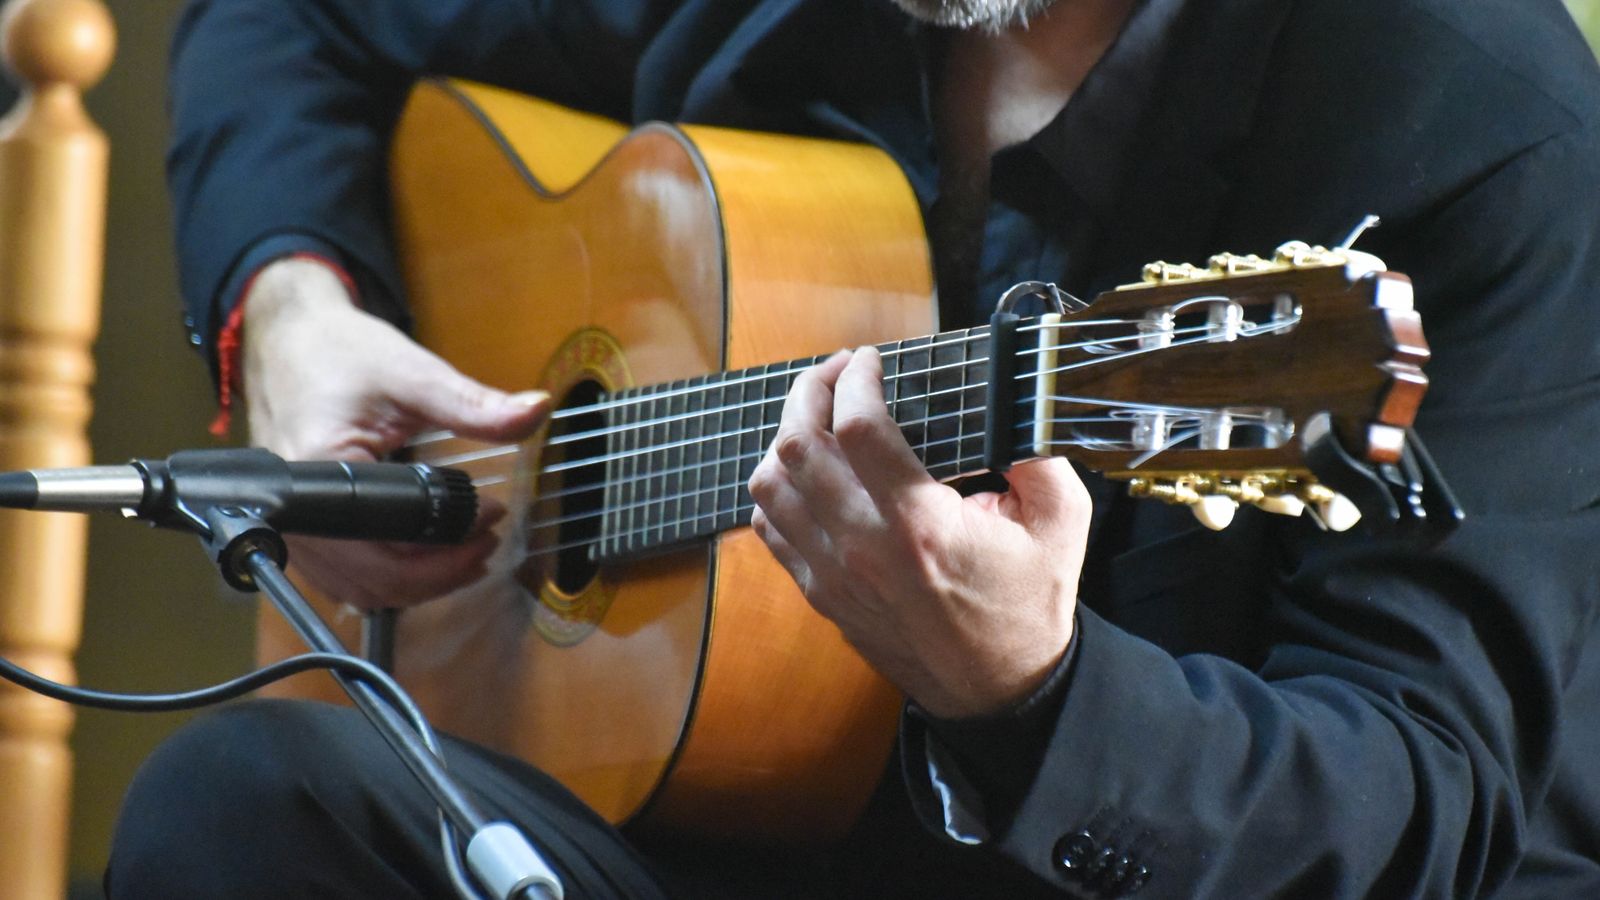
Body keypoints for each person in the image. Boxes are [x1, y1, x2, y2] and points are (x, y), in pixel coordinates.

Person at [108, 0, 1600, 896]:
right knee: (244, 805)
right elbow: (285, 17)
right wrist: (291, 311)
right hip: (754, 844)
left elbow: (1430, 809)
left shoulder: (1477, 121)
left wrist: (1036, 695)